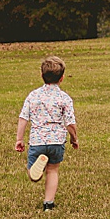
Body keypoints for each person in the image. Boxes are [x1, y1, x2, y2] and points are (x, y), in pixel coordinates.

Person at [15, 55, 78, 210]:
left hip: (37, 141)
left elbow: (23, 118)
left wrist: (19, 139)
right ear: (62, 78)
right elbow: (70, 123)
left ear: (42, 76)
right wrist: (74, 138)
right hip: (56, 141)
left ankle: (35, 171)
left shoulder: (33, 96)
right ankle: (48, 204)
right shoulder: (64, 98)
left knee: (33, 175)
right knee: (53, 170)